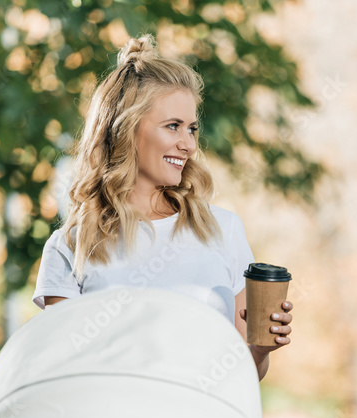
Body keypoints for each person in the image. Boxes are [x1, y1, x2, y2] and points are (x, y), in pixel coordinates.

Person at [32, 35, 292, 380]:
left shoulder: (223, 230)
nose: (188, 145)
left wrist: (260, 350)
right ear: (124, 130)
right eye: (173, 126)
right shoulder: (71, 248)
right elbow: (64, 377)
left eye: (192, 129)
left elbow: (243, 378)